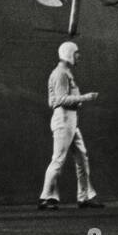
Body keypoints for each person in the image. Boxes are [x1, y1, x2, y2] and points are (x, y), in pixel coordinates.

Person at [38, 41, 103, 211]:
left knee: (82, 157)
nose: (78, 56)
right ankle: (46, 197)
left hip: (70, 120)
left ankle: (85, 196)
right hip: (64, 119)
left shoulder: (65, 72)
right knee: (58, 159)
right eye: (76, 53)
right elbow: (60, 100)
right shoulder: (60, 74)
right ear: (68, 53)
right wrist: (85, 98)